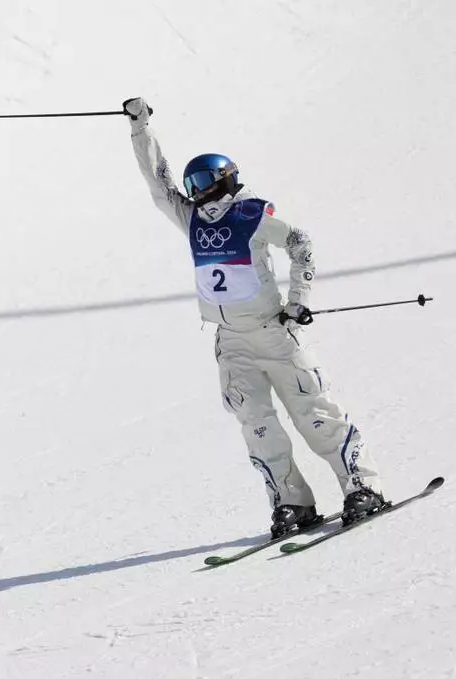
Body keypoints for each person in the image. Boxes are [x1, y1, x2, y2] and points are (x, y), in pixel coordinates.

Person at [122, 96, 386, 536]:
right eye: (194, 183)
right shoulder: (191, 219)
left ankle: (364, 486)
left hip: (274, 333)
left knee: (313, 412)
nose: (197, 190)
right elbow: (159, 182)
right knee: (256, 424)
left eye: (206, 179)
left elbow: (300, 243)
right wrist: (139, 127)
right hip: (231, 342)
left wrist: (298, 299)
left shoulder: (252, 213)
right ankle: (292, 502)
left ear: (227, 178)